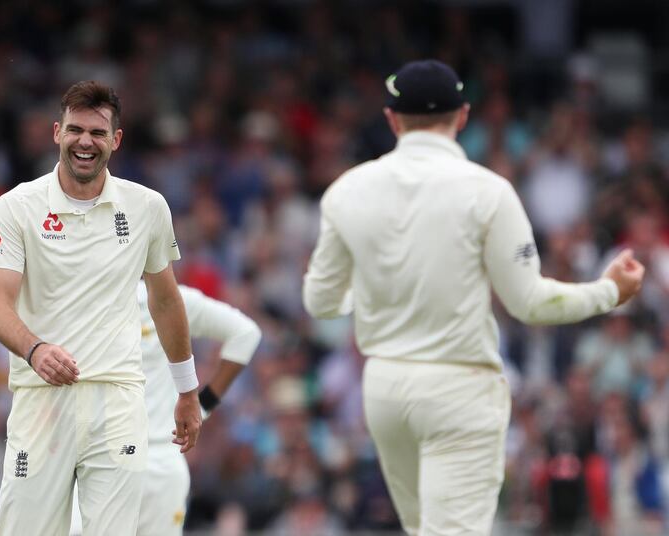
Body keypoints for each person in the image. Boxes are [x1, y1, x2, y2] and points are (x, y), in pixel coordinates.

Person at [302, 60, 645, 536]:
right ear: (462, 116)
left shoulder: (346, 191)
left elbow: (320, 302)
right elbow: (529, 303)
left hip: (384, 389)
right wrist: (609, 292)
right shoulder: (489, 192)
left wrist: (381, 285)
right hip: (458, 387)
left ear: (391, 118)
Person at [0, 81, 202, 536]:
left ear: (115, 140)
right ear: (57, 132)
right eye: (76, 130)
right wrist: (35, 349)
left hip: (118, 398)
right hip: (42, 398)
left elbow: (165, 299)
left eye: (98, 133)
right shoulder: (17, 206)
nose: (86, 142)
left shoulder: (147, 207)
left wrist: (187, 390)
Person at [68, 280, 262, 535]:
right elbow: (246, 333)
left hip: (145, 458)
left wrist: (203, 406)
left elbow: (246, 333)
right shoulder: (81, 301)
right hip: (118, 460)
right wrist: (203, 406)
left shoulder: (170, 299)